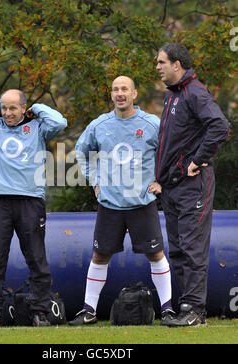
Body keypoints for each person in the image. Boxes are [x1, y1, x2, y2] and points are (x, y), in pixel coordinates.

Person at [69, 76, 173, 326]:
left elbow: (169, 153)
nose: (120, 93)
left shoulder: (151, 123)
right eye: (115, 90)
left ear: (134, 94)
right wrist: (94, 180)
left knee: (156, 254)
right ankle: (89, 310)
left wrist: (161, 181)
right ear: (112, 95)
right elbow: (81, 152)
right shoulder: (100, 124)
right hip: (110, 204)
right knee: (100, 256)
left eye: (124, 89)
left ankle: (168, 309)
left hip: (141, 202)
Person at [0, 90, 67, 327]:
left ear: (23, 108)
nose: (7, 113)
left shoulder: (38, 127)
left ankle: (39, 311)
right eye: (4, 109)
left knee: (36, 258)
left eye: (13, 108)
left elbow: (60, 122)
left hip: (30, 201)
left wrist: (37, 108)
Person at [154, 43, 230, 327]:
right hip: (172, 187)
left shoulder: (194, 92)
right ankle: (186, 305)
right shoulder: (173, 96)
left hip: (194, 184)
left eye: (162, 62)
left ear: (177, 64)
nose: (158, 67)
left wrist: (198, 160)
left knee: (192, 247)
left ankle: (195, 311)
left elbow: (220, 126)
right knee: (177, 249)